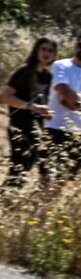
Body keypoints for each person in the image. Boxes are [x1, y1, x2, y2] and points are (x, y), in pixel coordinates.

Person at [0, 37, 60, 188]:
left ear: (54, 55)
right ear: (36, 51)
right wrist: (31, 107)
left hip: (36, 126)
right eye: (43, 49)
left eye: (50, 50)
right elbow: (6, 97)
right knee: (20, 164)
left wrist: (46, 112)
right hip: (19, 124)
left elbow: (44, 101)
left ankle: (10, 196)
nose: (46, 53)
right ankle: (8, 195)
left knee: (26, 165)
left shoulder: (48, 76)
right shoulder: (25, 71)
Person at [49, 33, 81, 181]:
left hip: (78, 132)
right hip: (55, 126)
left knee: (63, 180)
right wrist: (72, 100)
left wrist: (74, 101)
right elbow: (64, 93)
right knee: (46, 177)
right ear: (77, 45)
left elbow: (70, 100)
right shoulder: (61, 65)